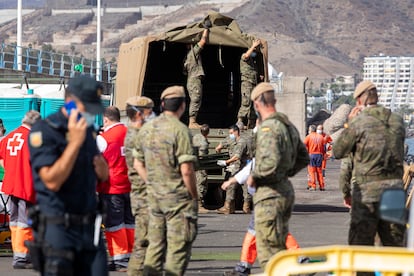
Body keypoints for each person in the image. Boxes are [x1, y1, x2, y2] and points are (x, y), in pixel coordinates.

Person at [28, 75, 109, 275]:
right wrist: (74, 143)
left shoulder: (88, 130)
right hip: (59, 229)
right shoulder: (45, 131)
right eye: (88, 107)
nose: (91, 113)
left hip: (90, 228)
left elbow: (103, 175)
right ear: (71, 102)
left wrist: (101, 168)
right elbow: (52, 181)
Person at [332, 80, 406, 276]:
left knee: (361, 250)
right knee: (394, 248)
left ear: (360, 100)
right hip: (395, 194)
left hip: (367, 193)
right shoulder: (398, 121)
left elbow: (338, 151)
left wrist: (349, 123)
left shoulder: (359, 122)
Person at [133, 86, 198, 275]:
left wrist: (152, 183)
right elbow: (186, 170)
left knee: (155, 247)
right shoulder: (180, 130)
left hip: (154, 197)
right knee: (178, 249)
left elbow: (137, 164)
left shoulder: (147, 129)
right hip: (178, 200)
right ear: (183, 106)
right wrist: (193, 196)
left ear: (162, 105)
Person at [246, 82, 309, 269]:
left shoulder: (268, 128)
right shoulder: (287, 125)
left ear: (257, 103)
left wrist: (255, 176)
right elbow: (304, 157)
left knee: (268, 255)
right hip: (284, 191)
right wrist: (286, 173)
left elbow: (269, 162)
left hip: (269, 194)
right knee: (280, 245)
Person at [0, 110, 41, 269]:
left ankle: (19, 253)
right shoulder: (34, 138)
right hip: (26, 184)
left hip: (11, 184)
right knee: (26, 221)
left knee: (15, 220)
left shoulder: (9, 136)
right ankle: (23, 256)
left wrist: (12, 169)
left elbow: (2, 158)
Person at [96, 106, 134, 272]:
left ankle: (119, 259)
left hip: (111, 187)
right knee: (129, 223)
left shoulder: (103, 138)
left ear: (105, 119)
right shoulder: (131, 134)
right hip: (130, 186)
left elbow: (95, 163)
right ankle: (130, 257)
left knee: (114, 224)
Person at [123, 95, 155, 276]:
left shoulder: (138, 133)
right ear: (138, 114)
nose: (151, 114)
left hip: (143, 192)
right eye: (149, 111)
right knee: (143, 242)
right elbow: (140, 165)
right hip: (143, 194)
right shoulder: (137, 136)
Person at [216, 125, 252, 214]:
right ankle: (246, 207)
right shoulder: (243, 139)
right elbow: (226, 141)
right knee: (246, 187)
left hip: (241, 167)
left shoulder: (241, 142)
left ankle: (228, 207)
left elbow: (236, 157)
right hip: (246, 166)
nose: (231, 135)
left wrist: (226, 162)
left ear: (237, 132)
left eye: (231, 133)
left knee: (231, 185)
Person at [183, 19, 211, 129]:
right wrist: (206, 29)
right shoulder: (192, 52)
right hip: (194, 80)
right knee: (195, 100)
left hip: (191, 80)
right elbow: (203, 41)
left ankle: (192, 121)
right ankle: (192, 122)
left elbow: (184, 71)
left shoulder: (186, 58)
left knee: (195, 100)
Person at [237, 39, 262, 129]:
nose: (254, 53)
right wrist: (253, 46)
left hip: (253, 84)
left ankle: (251, 123)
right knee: (246, 103)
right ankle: (240, 121)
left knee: (252, 105)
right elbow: (246, 55)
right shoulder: (244, 57)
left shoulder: (253, 62)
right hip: (247, 84)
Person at [192, 123, 210, 214]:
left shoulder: (196, 137)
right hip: (201, 165)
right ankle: (199, 205)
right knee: (201, 182)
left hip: (194, 163)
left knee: (195, 182)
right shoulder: (204, 143)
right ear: (208, 132)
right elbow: (203, 157)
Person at [304, 124, 325, 191]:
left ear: (310, 130)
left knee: (311, 171)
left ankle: (313, 186)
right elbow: (324, 147)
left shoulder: (308, 137)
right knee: (319, 171)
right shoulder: (321, 137)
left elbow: (304, 146)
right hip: (319, 155)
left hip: (311, 155)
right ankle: (321, 186)